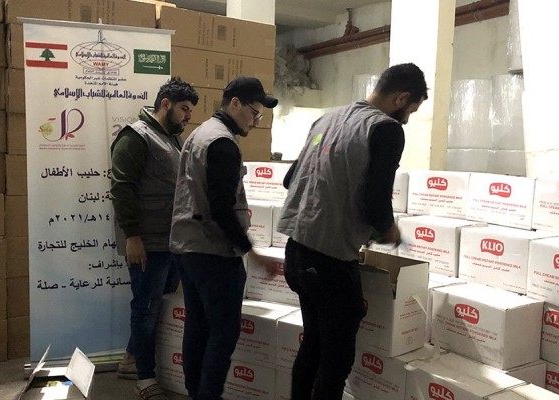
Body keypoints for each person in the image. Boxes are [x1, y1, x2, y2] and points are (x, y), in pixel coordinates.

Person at [276, 63, 429, 399]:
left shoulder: (326, 119)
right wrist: (388, 229)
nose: (407, 119)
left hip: (296, 253)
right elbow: (375, 199)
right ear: (401, 98)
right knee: (336, 362)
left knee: (313, 343)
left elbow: (290, 180)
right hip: (330, 261)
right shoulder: (386, 129)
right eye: (411, 110)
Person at [170, 76, 279, 400]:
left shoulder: (200, 133)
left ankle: (195, 391)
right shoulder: (222, 144)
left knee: (198, 326)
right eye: (254, 113)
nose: (255, 121)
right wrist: (250, 250)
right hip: (214, 253)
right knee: (223, 333)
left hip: (188, 247)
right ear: (234, 103)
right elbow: (220, 208)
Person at [111, 77, 199, 400]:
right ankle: (145, 377)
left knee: (155, 305)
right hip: (146, 242)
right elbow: (121, 189)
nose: (188, 116)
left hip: (172, 241)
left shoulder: (172, 138)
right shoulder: (136, 137)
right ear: (166, 104)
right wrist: (133, 237)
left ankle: (131, 359)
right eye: (184, 109)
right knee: (146, 308)